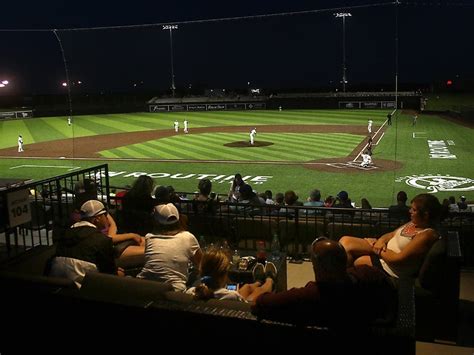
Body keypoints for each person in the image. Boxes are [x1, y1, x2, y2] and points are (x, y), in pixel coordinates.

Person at [251, 237, 397, 326]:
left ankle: (263, 280)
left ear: (316, 267)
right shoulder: (368, 274)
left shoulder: (308, 295)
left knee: (248, 291)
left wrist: (265, 283)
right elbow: (391, 291)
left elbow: (257, 303)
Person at [339, 193, 441, 279]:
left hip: (391, 267)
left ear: (426, 215)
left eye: (414, 210)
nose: (410, 211)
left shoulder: (426, 235)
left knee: (358, 261)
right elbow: (392, 234)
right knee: (345, 241)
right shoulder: (414, 223)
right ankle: (338, 280)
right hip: (383, 249)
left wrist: (377, 247)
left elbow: (398, 259)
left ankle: (342, 283)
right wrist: (380, 241)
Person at [49, 200, 124, 286]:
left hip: (56, 288)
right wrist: (118, 274)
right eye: (105, 215)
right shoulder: (101, 240)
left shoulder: (65, 233)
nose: (106, 218)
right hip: (83, 292)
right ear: (97, 219)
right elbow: (109, 276)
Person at [137, 203, 202, 291]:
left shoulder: (149, 237)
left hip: (144, 285)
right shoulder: (188, 237)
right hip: (175, 289)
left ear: (155, 221)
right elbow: (200, 264)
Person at [186, 247, 275, 302]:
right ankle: (269, 279)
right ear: (224, 275)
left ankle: (258, 281)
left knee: (247, 286)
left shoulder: (191, 292)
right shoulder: (231, 296)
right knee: (259, 291)